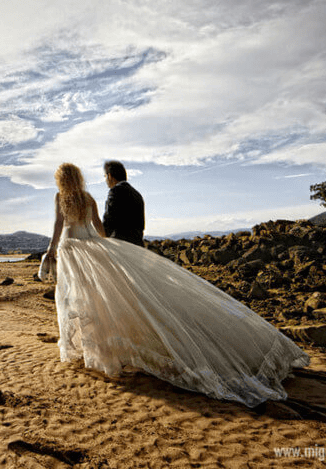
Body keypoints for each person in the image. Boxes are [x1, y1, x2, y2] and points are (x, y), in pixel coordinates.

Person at [45, 163, 309, 407]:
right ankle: (117, 347)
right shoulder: (94, 198)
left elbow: (60, 226)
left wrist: (50, 251)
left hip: (71, 250)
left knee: (80, 299)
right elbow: (100, 229)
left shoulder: (63, 198)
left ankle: (103, 350)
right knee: (106, 299)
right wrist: (108, 248)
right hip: (99, 249)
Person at [102, 160, 145, 246]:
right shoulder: (137, 194)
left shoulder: (114, 192)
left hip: (121, 245)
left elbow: (109, 221)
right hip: (138, 244)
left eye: (105, 176)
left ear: (110, 176)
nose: (106, 180)